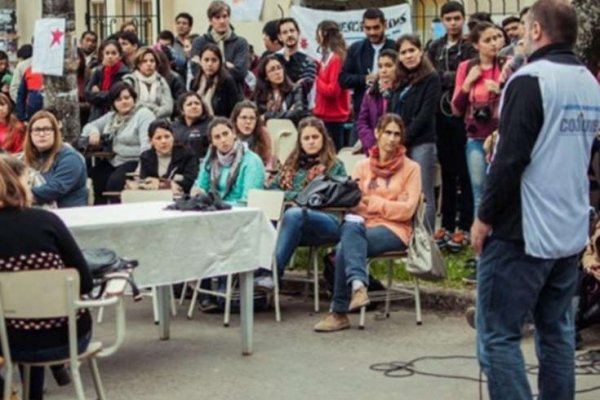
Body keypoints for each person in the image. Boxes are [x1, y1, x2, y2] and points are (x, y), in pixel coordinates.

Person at [469, 1, 600, 398]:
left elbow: (509, 158)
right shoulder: (589, 82)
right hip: (568, 227)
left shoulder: (531, 80)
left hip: (522, 230)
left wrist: (483, 217)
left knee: (497, 335)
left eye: (525, 29)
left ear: (539, 32)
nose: (521, 38)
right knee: (556, 331)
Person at [314, 113, 421, 332]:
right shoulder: (362, 167)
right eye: (387, 133)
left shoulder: (412, 169)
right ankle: (358, 286)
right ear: (377, 133)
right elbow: (352, 204)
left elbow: (407, 211)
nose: (392, 139)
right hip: (362, 226)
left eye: (396, 134)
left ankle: (340, 310)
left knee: (346, 244)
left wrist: (372, 202)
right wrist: (390, 204)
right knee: (350, 231)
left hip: (396, 230)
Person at [0, 153, 93, 400]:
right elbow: (85, 282)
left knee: (17, 317)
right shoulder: (47, 221)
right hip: (65, 336)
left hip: (9, 342)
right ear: (18, 184)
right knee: (36, 311)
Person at [270, 116, 346, 282]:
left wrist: (292, 198)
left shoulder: (335, 165)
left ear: (323, 139)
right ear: (300, 142)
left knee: (293, 214)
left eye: (315, 137)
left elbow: (321, 196)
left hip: (328, 219)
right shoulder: (291, 165)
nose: (311, 142)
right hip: (295, 225)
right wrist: (294, 197)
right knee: (267, 220)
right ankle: (252, 276)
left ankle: (272, 274)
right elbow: (272, 189)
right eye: (306, 138)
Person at [427, 0, 476, 250]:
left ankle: (464, 226)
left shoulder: (469, 48)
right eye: (449, 19)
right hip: (440, 114)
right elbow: (429, 75)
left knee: (465, 172)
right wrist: (451, 78)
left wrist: (448, 78)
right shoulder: (434, 46)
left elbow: (468, 75)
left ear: (463, 19)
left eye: (457, 18)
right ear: (442, 21)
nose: (453, 23)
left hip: (463, 114)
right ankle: (445, 224)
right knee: (447, 171)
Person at [452, 22, 504, 217]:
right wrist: (467, 84)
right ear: (476, 45)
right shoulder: (466, 67)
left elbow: (518, 102)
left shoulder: (507, 63)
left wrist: (501, 91)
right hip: (476, 137)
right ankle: (481, 243)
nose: (494, 43)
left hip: (502, 136)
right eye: (488, 40)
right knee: (479, 191)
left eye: (497, 38)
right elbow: (456, 109)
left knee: (503, 190)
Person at [390, 34, 441, 233]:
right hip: (399, 142)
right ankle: (405, 235)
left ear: (421, 51)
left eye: (412, 50)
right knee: (402, 192)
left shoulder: (431, 78)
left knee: (423, 192)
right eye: (403, 52)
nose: (409, 55)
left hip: (421, 142)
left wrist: (402, 138)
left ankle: (425, 240)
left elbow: (425, 115)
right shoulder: (399, 80)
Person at [82, 82, 154, 204]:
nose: (123, 102)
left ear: (134, 99)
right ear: (113, 103)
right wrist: (94, 132)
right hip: (115, 159)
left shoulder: (143, 114)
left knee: (114, 182)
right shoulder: (112, 117)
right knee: (94, 176)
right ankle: (99, 212)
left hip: (135, 160)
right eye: (118, 99)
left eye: (127, 98)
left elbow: (146, 146)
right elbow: (88, 127)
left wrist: (142, 170)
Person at [339, 8, 396, 136]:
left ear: (385, 25)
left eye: (376, 27)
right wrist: (364, 79)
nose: (372, 32)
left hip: (392, 114)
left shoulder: (395, 47)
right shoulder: (356, 49)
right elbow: (342, 79)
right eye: (368, 28)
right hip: (363, 115)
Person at [21, 111, 87, 208]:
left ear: (55, 132)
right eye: (36, 130)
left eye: (47, 129)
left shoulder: (71, 158)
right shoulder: (22, 158)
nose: (42, 134)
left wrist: (18, 195)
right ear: (29, 134)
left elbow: (56, 189)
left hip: (68, 215)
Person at [195, 117, 265, 205]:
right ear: (212, 142)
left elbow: (249, 202)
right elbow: (200, 188)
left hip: (240, 213)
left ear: (234, 134)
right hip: (213, 210)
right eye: (217, 137)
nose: (223, 140)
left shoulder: (252, 161)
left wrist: (218, 205)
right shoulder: (210, 158)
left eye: (225, 134)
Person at [191, 1, 249, 89]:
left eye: (225, 16)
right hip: (206, 91)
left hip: (233, 94)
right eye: (217, 17)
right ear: (210, 20)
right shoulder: (199, 42)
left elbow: (240, 73)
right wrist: (227, 66)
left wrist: (208, 67)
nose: (222, 21)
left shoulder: (240, 43)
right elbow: (196, 71)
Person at [313, 20, 351, 151]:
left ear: (323, 34)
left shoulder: (336, 59)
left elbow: (332, 91)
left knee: (333, 157)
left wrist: (316, 79)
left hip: (333, 118)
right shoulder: (328, 58)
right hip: (325, 116)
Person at [137, 119, 198, 194]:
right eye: (158, 138)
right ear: (150, 141)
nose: (163, 141)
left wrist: (159, 184)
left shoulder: (187, 154)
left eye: (167, 136)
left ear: (173, 137)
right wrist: (171, 183)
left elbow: (190, 182)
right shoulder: (146, 157)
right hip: (153, 197)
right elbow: (145, 182)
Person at [356, 49, 398, 154]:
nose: (383, 70)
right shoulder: (370, 93)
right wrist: (372, 143)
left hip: (397, 146)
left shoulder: (403, 91)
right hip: (373, 147)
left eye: (388, 66)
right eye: (380, 66)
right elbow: (362, 122)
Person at [253, 54, 308, 125]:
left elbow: (297, 113)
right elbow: (257, 118)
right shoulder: (260, 95)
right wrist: (288, 112)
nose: (277, 72)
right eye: (272, 70)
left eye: (279, 68)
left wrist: (268, 115)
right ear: (266, 76)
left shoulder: (295, 89)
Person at [190, 44, 241, 118]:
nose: (210, 64)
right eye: (206, 60)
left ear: (220, 62)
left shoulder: (227, 81)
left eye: (214, 60)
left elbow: (234, 110)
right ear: (200, 62)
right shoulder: (194, 82)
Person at [85, 39, 130, 122]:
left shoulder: (125, 73)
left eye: (113, 53)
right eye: (107, 53)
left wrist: (98, 93)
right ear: (103, 55)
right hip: (97, 115)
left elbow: (116, 96)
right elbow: (87, 94)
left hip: (116, 116)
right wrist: (105, 95)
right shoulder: (98, 71)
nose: (110, 56)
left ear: (120, 56)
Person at [123, 47, 173, 118]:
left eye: (152, 61)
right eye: (144, 61)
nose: (149, 64)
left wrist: (150, 116)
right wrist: (153, 107)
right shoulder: (130, 80)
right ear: (138, 64)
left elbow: (168, 108)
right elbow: (130, 105)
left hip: (158, 121)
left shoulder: (161, 81)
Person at [231, 100, 275, 172]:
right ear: (236, 120)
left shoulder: (264, 135)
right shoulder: (228, 135)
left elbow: (268, 163)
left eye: (252, 118)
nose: (248, 122)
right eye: (244, 117)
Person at [275, 17, 317, 94]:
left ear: (298, 33)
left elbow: (304, 87)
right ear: (279, 37)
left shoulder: (309, 61)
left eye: (292, 30)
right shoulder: (273, 59)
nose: (289, 35)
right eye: (285, 32)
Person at [172, 92, 212, 160]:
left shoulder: (211, 124)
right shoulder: (174, 126)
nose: (194, 107)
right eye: (189, 104)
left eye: (197, 103)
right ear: (182, 110)